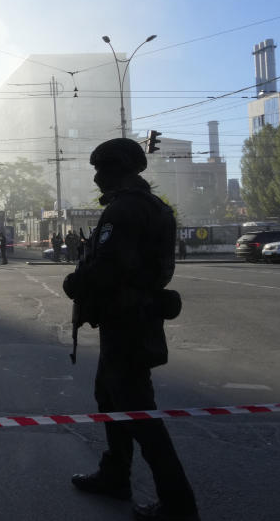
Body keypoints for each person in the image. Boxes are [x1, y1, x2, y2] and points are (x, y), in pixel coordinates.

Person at [62, 138, 199, 521]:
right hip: (137, 317)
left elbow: (109, 268)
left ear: (118, 168)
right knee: (110, 398)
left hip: (125, 320)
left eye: (101, 168)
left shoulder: (123, 210)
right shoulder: (157, 208)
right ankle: (115, 473)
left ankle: (178, 504)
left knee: (138, 412)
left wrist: (77, 282)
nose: (96, 176)